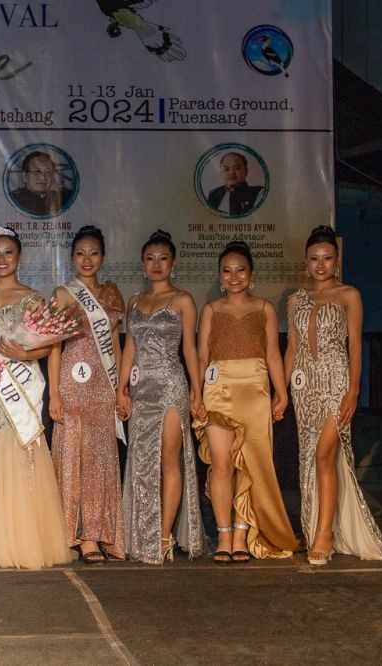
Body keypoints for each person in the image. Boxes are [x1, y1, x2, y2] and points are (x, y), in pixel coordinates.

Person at [285, 226, 382, 565]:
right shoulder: (295, 299)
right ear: (306, 262)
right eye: (314, 259)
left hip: (335, 381)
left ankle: (324, 534)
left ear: (337, 261)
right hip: (303, 388)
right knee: (312, 458)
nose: (320, 265)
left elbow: (355, 347)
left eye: (327, 258)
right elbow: (293, 349)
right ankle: (320, 526)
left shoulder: (348, 295)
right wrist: (281, 392)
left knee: (326, 453)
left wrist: (353, 391)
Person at [0, 226, 71, 569]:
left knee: (19, 447)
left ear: (19, 257)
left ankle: (22, 541)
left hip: (20, 388)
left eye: (8, 252)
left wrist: (24, 356)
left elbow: (51, 344)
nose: (1, 259)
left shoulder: (33, 298)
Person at [194, 240, 298, 563]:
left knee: (250, 466)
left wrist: (281, 393)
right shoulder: (210, 309)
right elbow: (200, 355)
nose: (234, 276)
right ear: (220, 276)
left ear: (251, 274)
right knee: (222, 463)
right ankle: (224, 535)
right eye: (227, 271)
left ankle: (242, 534)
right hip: (218, 391)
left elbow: (273, 356)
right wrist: (195, 393)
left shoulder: (265, 308)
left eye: (240, 270)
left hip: (255, 390)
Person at [116, 230, 206, 564]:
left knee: (169, 460)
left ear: (173, 263)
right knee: (140, 462)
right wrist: (121, 388)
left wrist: (197, 392)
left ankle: (165, 535)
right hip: (141, 389)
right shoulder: (135, 301)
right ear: (142, 264)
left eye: (163, 259)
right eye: (151, 259)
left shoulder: (183, 300)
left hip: (170, 385)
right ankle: (140, 533)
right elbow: (129, 348)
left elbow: (190, 349)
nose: (157, 265)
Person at [48, 225, 126, 564]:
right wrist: (54, 394)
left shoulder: (112, 294)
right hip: (71, 382)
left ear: (103, 257)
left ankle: (96, 534)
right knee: (72, 456)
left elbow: (118, 345)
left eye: (93, 253)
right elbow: (53, 347)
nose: (87, 260)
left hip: (103, 386)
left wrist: (121, 389)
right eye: (80, 254)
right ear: (72, 258)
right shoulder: (63, 294)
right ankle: (71, 533)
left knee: (99, 460)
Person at [9, 151, 73, 217]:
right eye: (37, 171)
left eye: (48, 172)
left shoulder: (63, 199)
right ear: (25, 176)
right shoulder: (14, 199)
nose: (43, 177)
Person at [206, 152, 263, 216]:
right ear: (221, 172)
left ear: (246, 171)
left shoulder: (259, 193)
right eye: (226, 169)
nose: (231, 173)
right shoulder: (213, 194)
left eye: (237, 168)